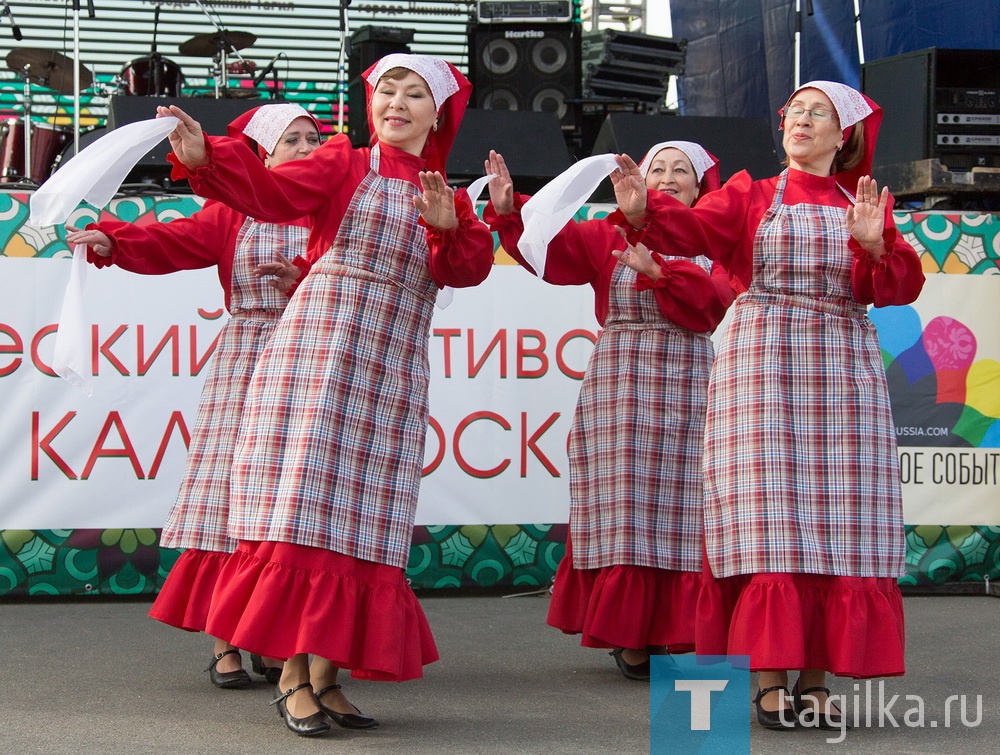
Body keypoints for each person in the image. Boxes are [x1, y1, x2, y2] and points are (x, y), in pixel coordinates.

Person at [155, 54, 495, 737]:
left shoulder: (446, 194)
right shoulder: (343, 161)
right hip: (322, 347)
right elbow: (277, 194)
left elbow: (470, 266)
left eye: (413, 94)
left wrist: (449, 225)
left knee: (365, 510)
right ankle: (291, 676)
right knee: (310, 503)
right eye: (385, 91)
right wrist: (212, 159)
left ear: (438, 115)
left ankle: (329, 674)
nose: (396, 102)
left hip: (392, 362)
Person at [608, 82, 924, 729]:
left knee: (840, 519)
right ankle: (768, 678)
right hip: (763, 367)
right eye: (795, 112)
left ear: (847, 137)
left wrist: (873, 245)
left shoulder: (862, 204)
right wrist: (647, 212)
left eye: (820, 113)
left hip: (841, 370)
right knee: (767, 512)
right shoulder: (753, 195)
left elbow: (892, 284)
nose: (802, 120)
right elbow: (695, 227)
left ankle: (814, 678)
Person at [66, 103, 321, 690]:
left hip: (315, 355)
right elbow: (171, 241)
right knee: (233, 497)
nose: (308, 147)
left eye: (313, 138)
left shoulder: (331, 209)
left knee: (290, 502)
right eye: (292, 140)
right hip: (251, 353)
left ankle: (280, 639)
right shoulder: (234, 213)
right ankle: (226, 642)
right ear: (261, 154)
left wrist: (305, 280)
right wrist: (114, 238)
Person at [482, 142, 735, 679]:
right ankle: (629, 633)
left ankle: (673, 626)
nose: (666, 178)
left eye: (679, 172)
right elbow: (551, 252)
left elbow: (715, 304)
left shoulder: (716, 241)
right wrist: (509, 212)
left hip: (691, 378)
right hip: (619, 381)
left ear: (699, 187)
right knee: (623, 502)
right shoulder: (608, 234)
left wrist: (662, 272)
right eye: (655, 169)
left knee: (686, 503)